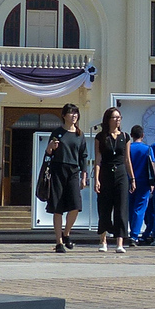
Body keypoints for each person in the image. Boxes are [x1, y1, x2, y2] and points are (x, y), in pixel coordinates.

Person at [42, 103, 90, 253]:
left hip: (73, 171)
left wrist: (84, 176)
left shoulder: (79, 134)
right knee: (57, 208)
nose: (74, 116)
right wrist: (50, 147)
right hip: (58, 170)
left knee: (76, 206)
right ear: (64, 115)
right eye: (70, 113)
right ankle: (59, 242)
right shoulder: (57, 132)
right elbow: (49, 153)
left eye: (76, 113)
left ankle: (67, 233)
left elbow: (83, 156)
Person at [94, 107, 132, 253]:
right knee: (104, 207)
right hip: (106, 172)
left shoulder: (125, 136)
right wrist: (96, 179)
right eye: (114, 117)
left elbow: (127, 159)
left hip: (121, 172)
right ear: (108, 120)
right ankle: (103, 240)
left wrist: (132, 178)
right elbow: (98, 159)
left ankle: (120, 242)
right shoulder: (101, 137)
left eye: (119, 117)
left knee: (121, 208)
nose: (117, 120)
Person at [127, 125, 155, 247]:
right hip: (144, 182)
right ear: (142, 135)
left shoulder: (128, 148)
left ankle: (131, 232)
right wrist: (153, 183)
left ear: (131, 135)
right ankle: (134, 235)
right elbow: (152, 166)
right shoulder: (147, 149)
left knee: (130, 207)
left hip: (129, 181)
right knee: (140, 209)